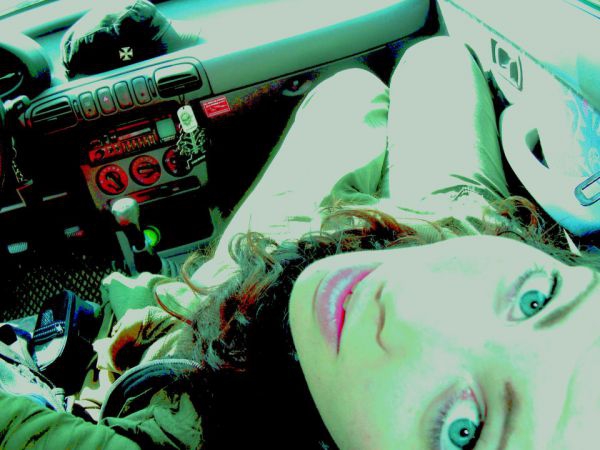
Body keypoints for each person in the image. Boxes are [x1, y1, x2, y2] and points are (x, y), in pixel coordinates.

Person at [1, 35, 597, 448]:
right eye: (537, 299)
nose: (406, 301)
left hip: (214, 323)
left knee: (353, 95)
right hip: (442, 232)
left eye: (462, 430)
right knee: (417, 66)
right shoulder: (456, 264)